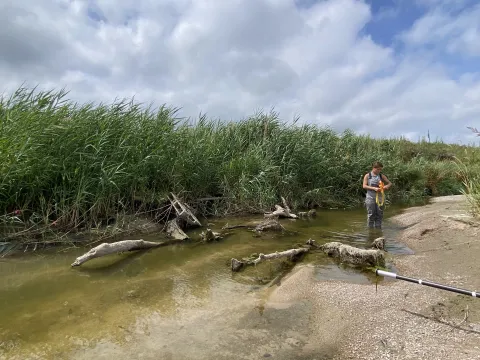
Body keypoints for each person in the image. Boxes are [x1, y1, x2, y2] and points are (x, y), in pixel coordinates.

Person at [362, 161, 392, 229]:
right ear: (373, 168)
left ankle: (378, 229)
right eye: (378, 169)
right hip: (370, 197)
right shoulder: (367, 175)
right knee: (371, 214)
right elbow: (364, 186)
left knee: (379, 214)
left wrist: (386, 186)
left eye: (380, 169)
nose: (379, 171)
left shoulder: (382, 176)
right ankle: (371, 230)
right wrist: (374, 188)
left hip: (380, 198)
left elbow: (390, 183)